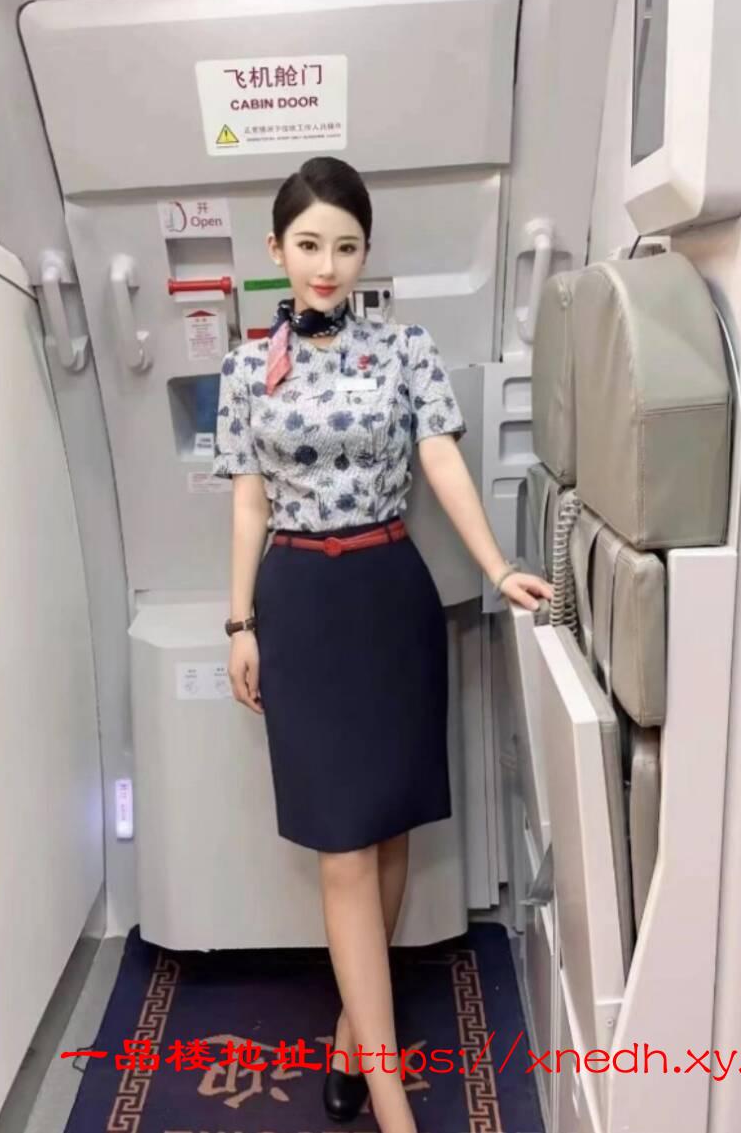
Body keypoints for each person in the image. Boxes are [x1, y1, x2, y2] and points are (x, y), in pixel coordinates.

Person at [211, 156, 552, 1133]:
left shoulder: (404, 348)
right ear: (276, 250)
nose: (327, 265)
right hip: (301, 605)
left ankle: (351, 1035)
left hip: (390, 592)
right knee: (342, 850)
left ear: (366, 253)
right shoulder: (244, 369)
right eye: (308, 245)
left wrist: (495, 567)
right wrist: (239, 621)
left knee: (391, 830)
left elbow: (441, 459)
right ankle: (391, 1096)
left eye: (346, 246)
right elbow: (248, 504)